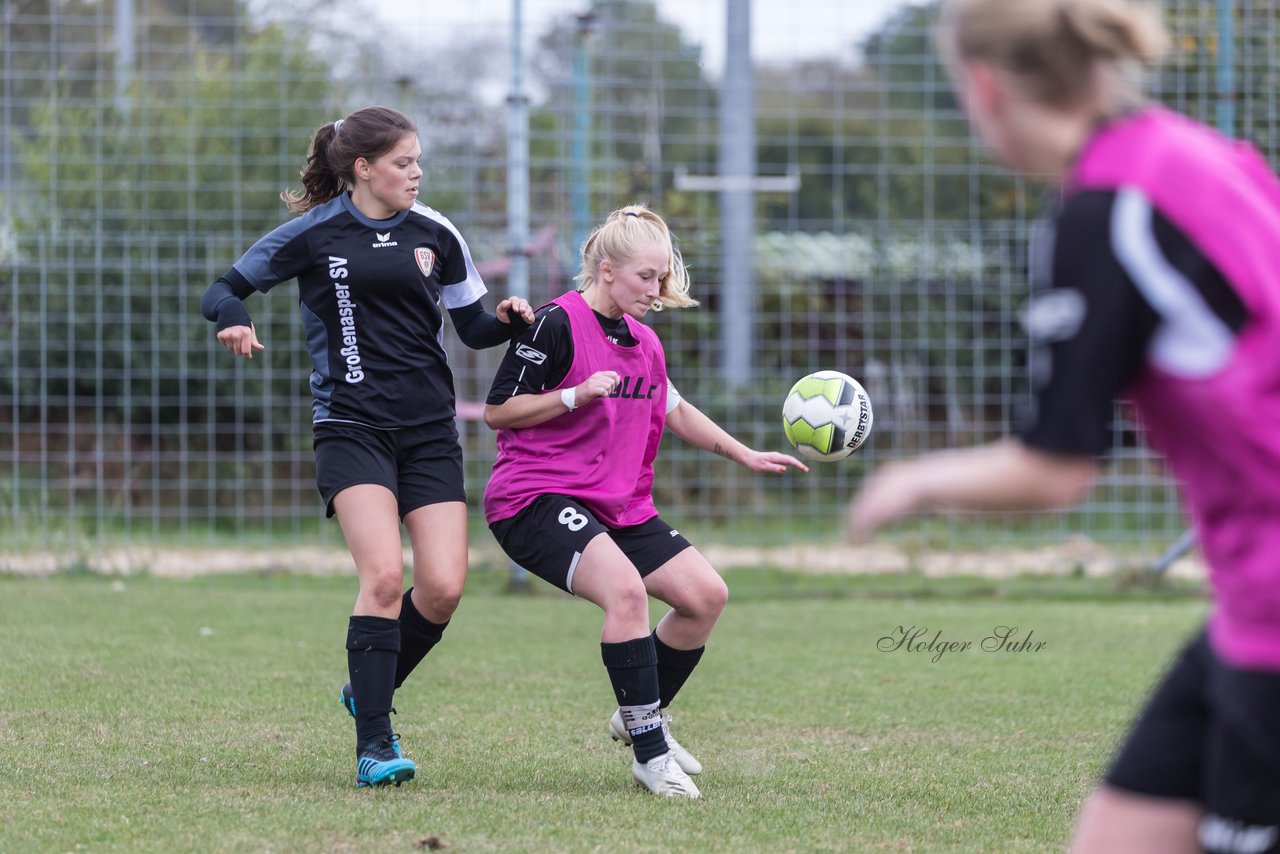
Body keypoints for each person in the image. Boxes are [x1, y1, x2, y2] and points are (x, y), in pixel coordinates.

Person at [848, 1, 1280, 850]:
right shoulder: (1196, 154)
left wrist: (912, 480)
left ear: (983, 87)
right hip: (1247, 598)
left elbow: (1054, 468)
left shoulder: (1106, 209)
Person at [199, 106, 534, 789]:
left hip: (429, 431)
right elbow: (224, 289)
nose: (417, 172)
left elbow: (470, 327)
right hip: (349, 427)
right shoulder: (315, 233)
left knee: (442, 588)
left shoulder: (436, 232)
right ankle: (375, 743)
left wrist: (506, 320)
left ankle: (367, 685)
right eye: (403, 162)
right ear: (363, 169)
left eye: (418, 161)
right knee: (382, 577)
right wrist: (234, 320)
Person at [482, 205, 808, 798]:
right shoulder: (554, 323)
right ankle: (651, 754)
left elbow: (674, 408)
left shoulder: (645, 342)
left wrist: (745, 455)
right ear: (606, 270)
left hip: (619, 504)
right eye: (645, 277)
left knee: (705, 596)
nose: (656, 290)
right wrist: (574, 395)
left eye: (661, 278)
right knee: (626, 593)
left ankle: (640, 715)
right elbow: (497, 411)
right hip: (533, 497)